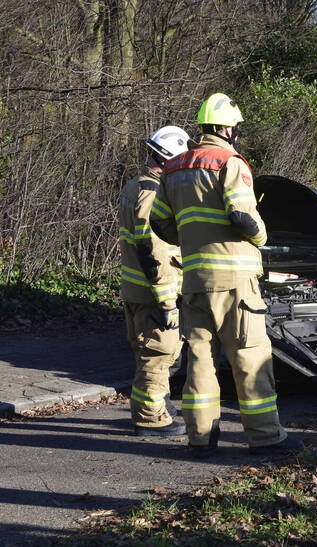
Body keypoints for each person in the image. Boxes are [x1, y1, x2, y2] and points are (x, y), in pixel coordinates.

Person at [150, 93, 302, 456]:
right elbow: (241, 216)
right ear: (225, 128)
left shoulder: (173, 168)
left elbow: (158, 221)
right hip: (235, 282)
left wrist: (185, 238)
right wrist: (262, 237)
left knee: (200, 359)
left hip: (195, 282)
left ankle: (200, 438)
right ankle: (265, 437)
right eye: (234, 127)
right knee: (249, 355)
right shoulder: (230, 162)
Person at [118, 126, 189, 437]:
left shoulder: (136, 185)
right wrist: (167, 299)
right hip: (153, 291)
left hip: (137, 289)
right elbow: (153, 249)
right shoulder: (152, 192)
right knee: (158, 354)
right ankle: (151, 419)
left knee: (147, 352)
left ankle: (159, 405)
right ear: (171, 161)